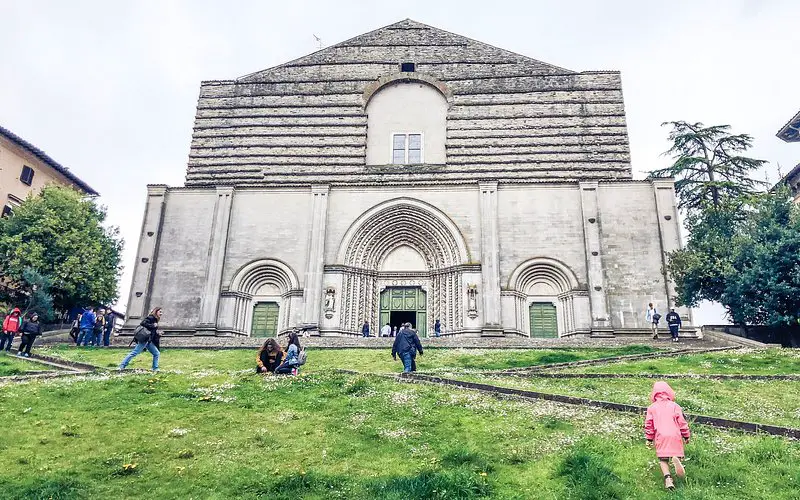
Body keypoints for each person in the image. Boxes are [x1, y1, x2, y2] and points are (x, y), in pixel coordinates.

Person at [645, 381, 691, 491]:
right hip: (675, 434)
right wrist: (686, 435)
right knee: (675, 453)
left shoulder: (652, 408)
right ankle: (676, 458)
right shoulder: (675, 406)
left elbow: (649, 424)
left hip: (661, 435)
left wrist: (649, 438)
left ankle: (668, 479)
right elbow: (682, 422)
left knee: (663, 459)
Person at [119, 307, 162, 372]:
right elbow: (143, 323)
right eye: (160, 312)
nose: (161, 313)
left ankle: (155, 368)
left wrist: (158, 333)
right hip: (145, 339)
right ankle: (122, 365)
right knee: (135, 352)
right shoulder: (151, 317)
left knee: (156, 353)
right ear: (156, 312)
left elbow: (152, 330)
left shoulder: (155, 319)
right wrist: (153, 325)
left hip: (149, 340)